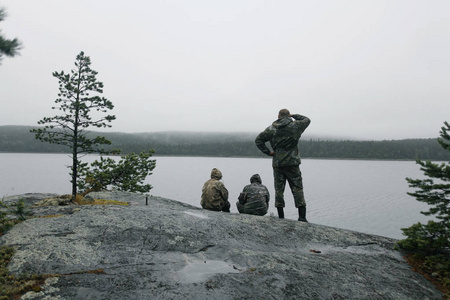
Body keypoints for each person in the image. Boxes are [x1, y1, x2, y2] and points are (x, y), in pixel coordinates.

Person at [255, 108, 311, 222]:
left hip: (278, 163)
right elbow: (307, 119)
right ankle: (302, 217)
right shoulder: (295, 126)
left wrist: (268, 152)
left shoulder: (272, 128)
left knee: (279, 189)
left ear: (278, 116)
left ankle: (281, 217)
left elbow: (258, 140)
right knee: (297, 188)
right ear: (288, 116)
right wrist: (294, 115)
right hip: (293, 162)